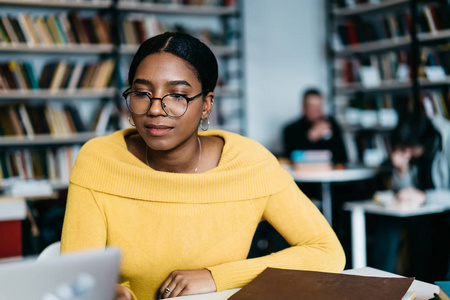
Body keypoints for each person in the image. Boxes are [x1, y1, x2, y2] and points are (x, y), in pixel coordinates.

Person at [60, 32, 345, 300]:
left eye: (177, 96)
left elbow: (326, 252)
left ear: (206, 105)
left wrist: (217, 277)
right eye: (142, 93)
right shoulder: (99, 159)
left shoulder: (249, 164)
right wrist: (107, 290)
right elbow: (76, 276)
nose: (156, 108)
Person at [371, 113, 450, 282]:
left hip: (442, 210)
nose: (407, 152)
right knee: (389, 221)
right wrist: (402, 170)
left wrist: (424, 196)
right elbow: (403, 191)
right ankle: (379, 283)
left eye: (410, 148)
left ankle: (427, 285)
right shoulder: (413, 150)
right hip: (423, 211)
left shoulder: (447, 143)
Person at [282, 88, 347, 164]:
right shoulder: (290, 130)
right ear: (304, 107)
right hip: (302, 174)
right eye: (312, 107)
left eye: (319, 107)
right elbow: (291, 159)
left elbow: (343, 157)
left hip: (330, 174)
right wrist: (311, 136)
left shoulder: (331, 124)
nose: (317, 111)